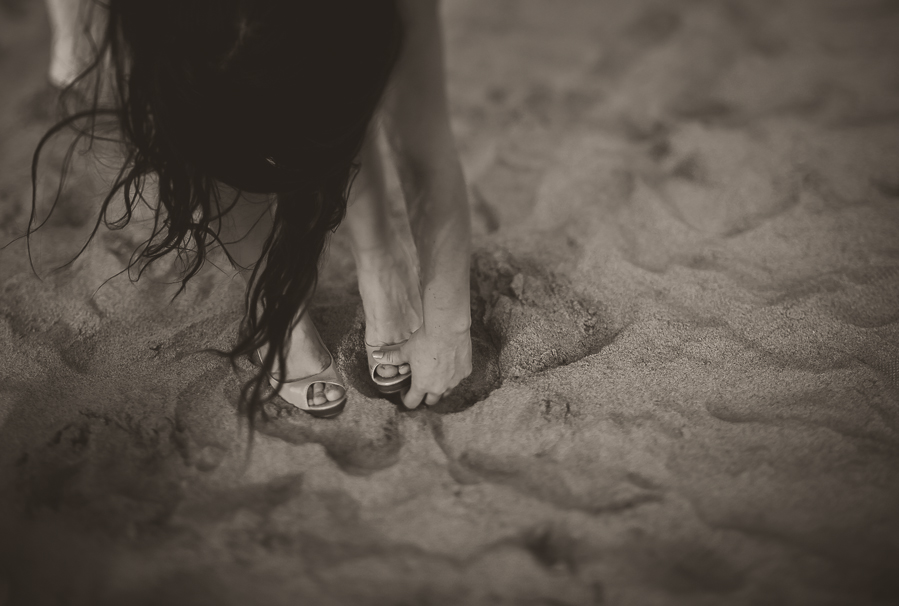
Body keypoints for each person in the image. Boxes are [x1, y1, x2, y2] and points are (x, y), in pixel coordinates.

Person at [38, 0, 473, 418]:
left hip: (337, 30)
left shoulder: (387, 10)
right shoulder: (172, 25)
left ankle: (382, 262)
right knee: (216, 133)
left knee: (332, 98)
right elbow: (196, 138)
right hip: (190, 35)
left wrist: (449, 325)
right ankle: (274, 302)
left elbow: (424, 156)